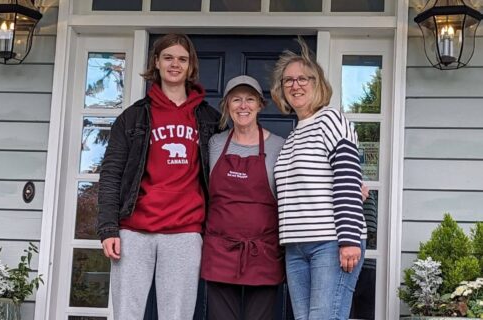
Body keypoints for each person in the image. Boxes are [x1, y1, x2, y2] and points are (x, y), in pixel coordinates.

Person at [96, 33, 222, 320]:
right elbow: (112, 174)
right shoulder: (133, 117)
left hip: (185, 233)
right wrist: (108, 229)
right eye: (168, 58)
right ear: (156, 62)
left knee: (176, 316)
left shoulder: (209, 120)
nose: (174, 64)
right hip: (134, 231)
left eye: (182, 59)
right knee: (127, 314)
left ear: (191, 67)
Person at [271, 38, 367, 320]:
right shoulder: (294, 135)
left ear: (318, 84)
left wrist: (349, 238)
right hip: (296, 246)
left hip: (331, 242)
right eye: (288, 80)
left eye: (303, 78)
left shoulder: (331, 120)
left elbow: (347, 177)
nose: (295, 85)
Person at [200, 75, 285, 320]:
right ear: (227, 105)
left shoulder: (280, 146)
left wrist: (350, 182)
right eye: (236, 100)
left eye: (250, 99)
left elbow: (303, 181)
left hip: (264, 251)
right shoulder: (214, 144)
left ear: (260, 104)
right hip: (220, 251)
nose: (243, 106)